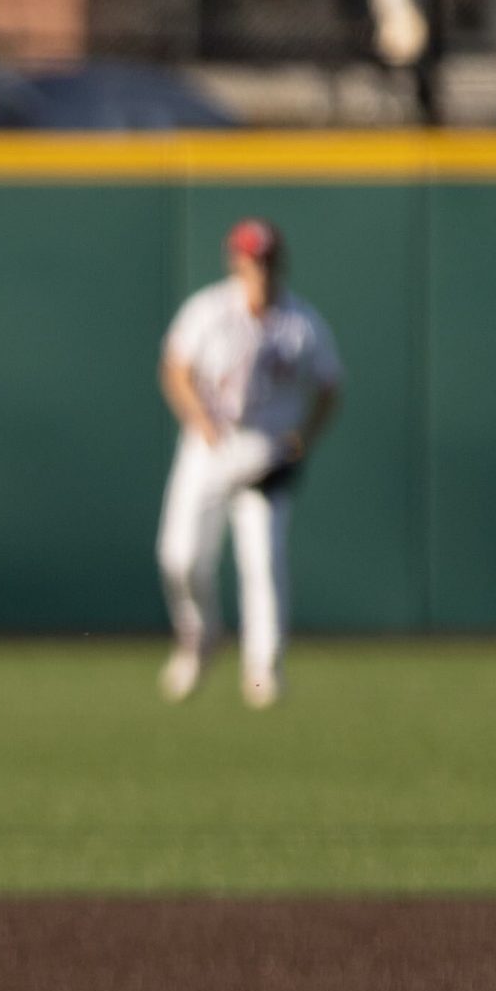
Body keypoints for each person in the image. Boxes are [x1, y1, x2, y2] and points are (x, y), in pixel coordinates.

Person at [155, 217, 343, 709]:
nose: (256, 265)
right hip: (210, 447)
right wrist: (199, 419)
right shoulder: (209, 309)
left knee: (262, 564)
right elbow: (175, 367)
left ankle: (262, 671)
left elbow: (329, 386)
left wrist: (302, 439)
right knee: (179, 557)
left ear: (277, 262)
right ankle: (198, 640)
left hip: (265, 452)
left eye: (264, 257)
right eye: (248, 256)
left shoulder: (300, 321)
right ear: (234, 259)